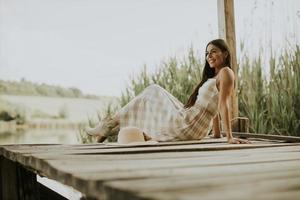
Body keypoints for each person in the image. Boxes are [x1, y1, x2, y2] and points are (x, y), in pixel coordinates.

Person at [86, 39, 250, 144]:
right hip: (192, 124)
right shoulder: (214, 76)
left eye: (213, 51)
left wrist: (229, 137)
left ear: (225, 53)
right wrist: (216, 134)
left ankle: (109, 125)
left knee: (153, 90)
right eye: (207, 53)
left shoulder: (226, 73)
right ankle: (109, 128)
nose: (209, 56)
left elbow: (223, 105)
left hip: (188, 124)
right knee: (151, 95)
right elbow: (213, 107)